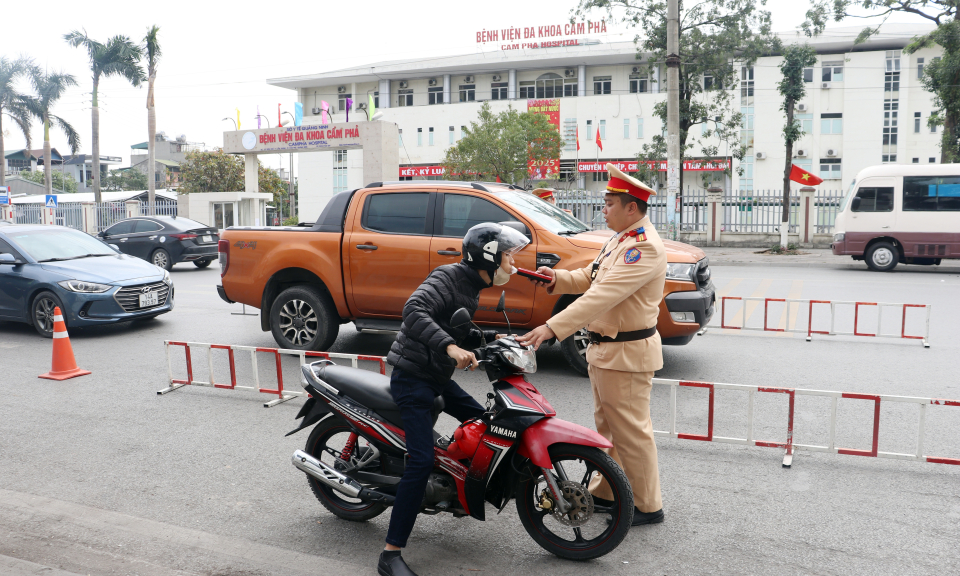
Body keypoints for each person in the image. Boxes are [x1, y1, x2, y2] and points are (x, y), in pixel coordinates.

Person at [517, 163, 667, 527]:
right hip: (606, 350)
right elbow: (590, 276)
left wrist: (552, 327)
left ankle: (647, 506)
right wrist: (557, 278)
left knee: (631, 433)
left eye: (610, 203)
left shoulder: (643, 248)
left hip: (626, 352)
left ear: (632, 207)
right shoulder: (621, 238)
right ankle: (606, 491)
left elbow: (601, 295)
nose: (604, 208)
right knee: (609, 432)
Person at [379, 223, 529, 576]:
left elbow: (462, 329)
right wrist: (449, 347)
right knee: (420, 460)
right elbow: (414, 311)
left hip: (437, 375)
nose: (512, 263)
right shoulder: (448, 276)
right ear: (489, 257)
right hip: (413, 378)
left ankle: (460, 491)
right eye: (508, 255)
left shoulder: (474, 285)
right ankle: (390, 554)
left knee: (487, 421)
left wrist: (504, 339)